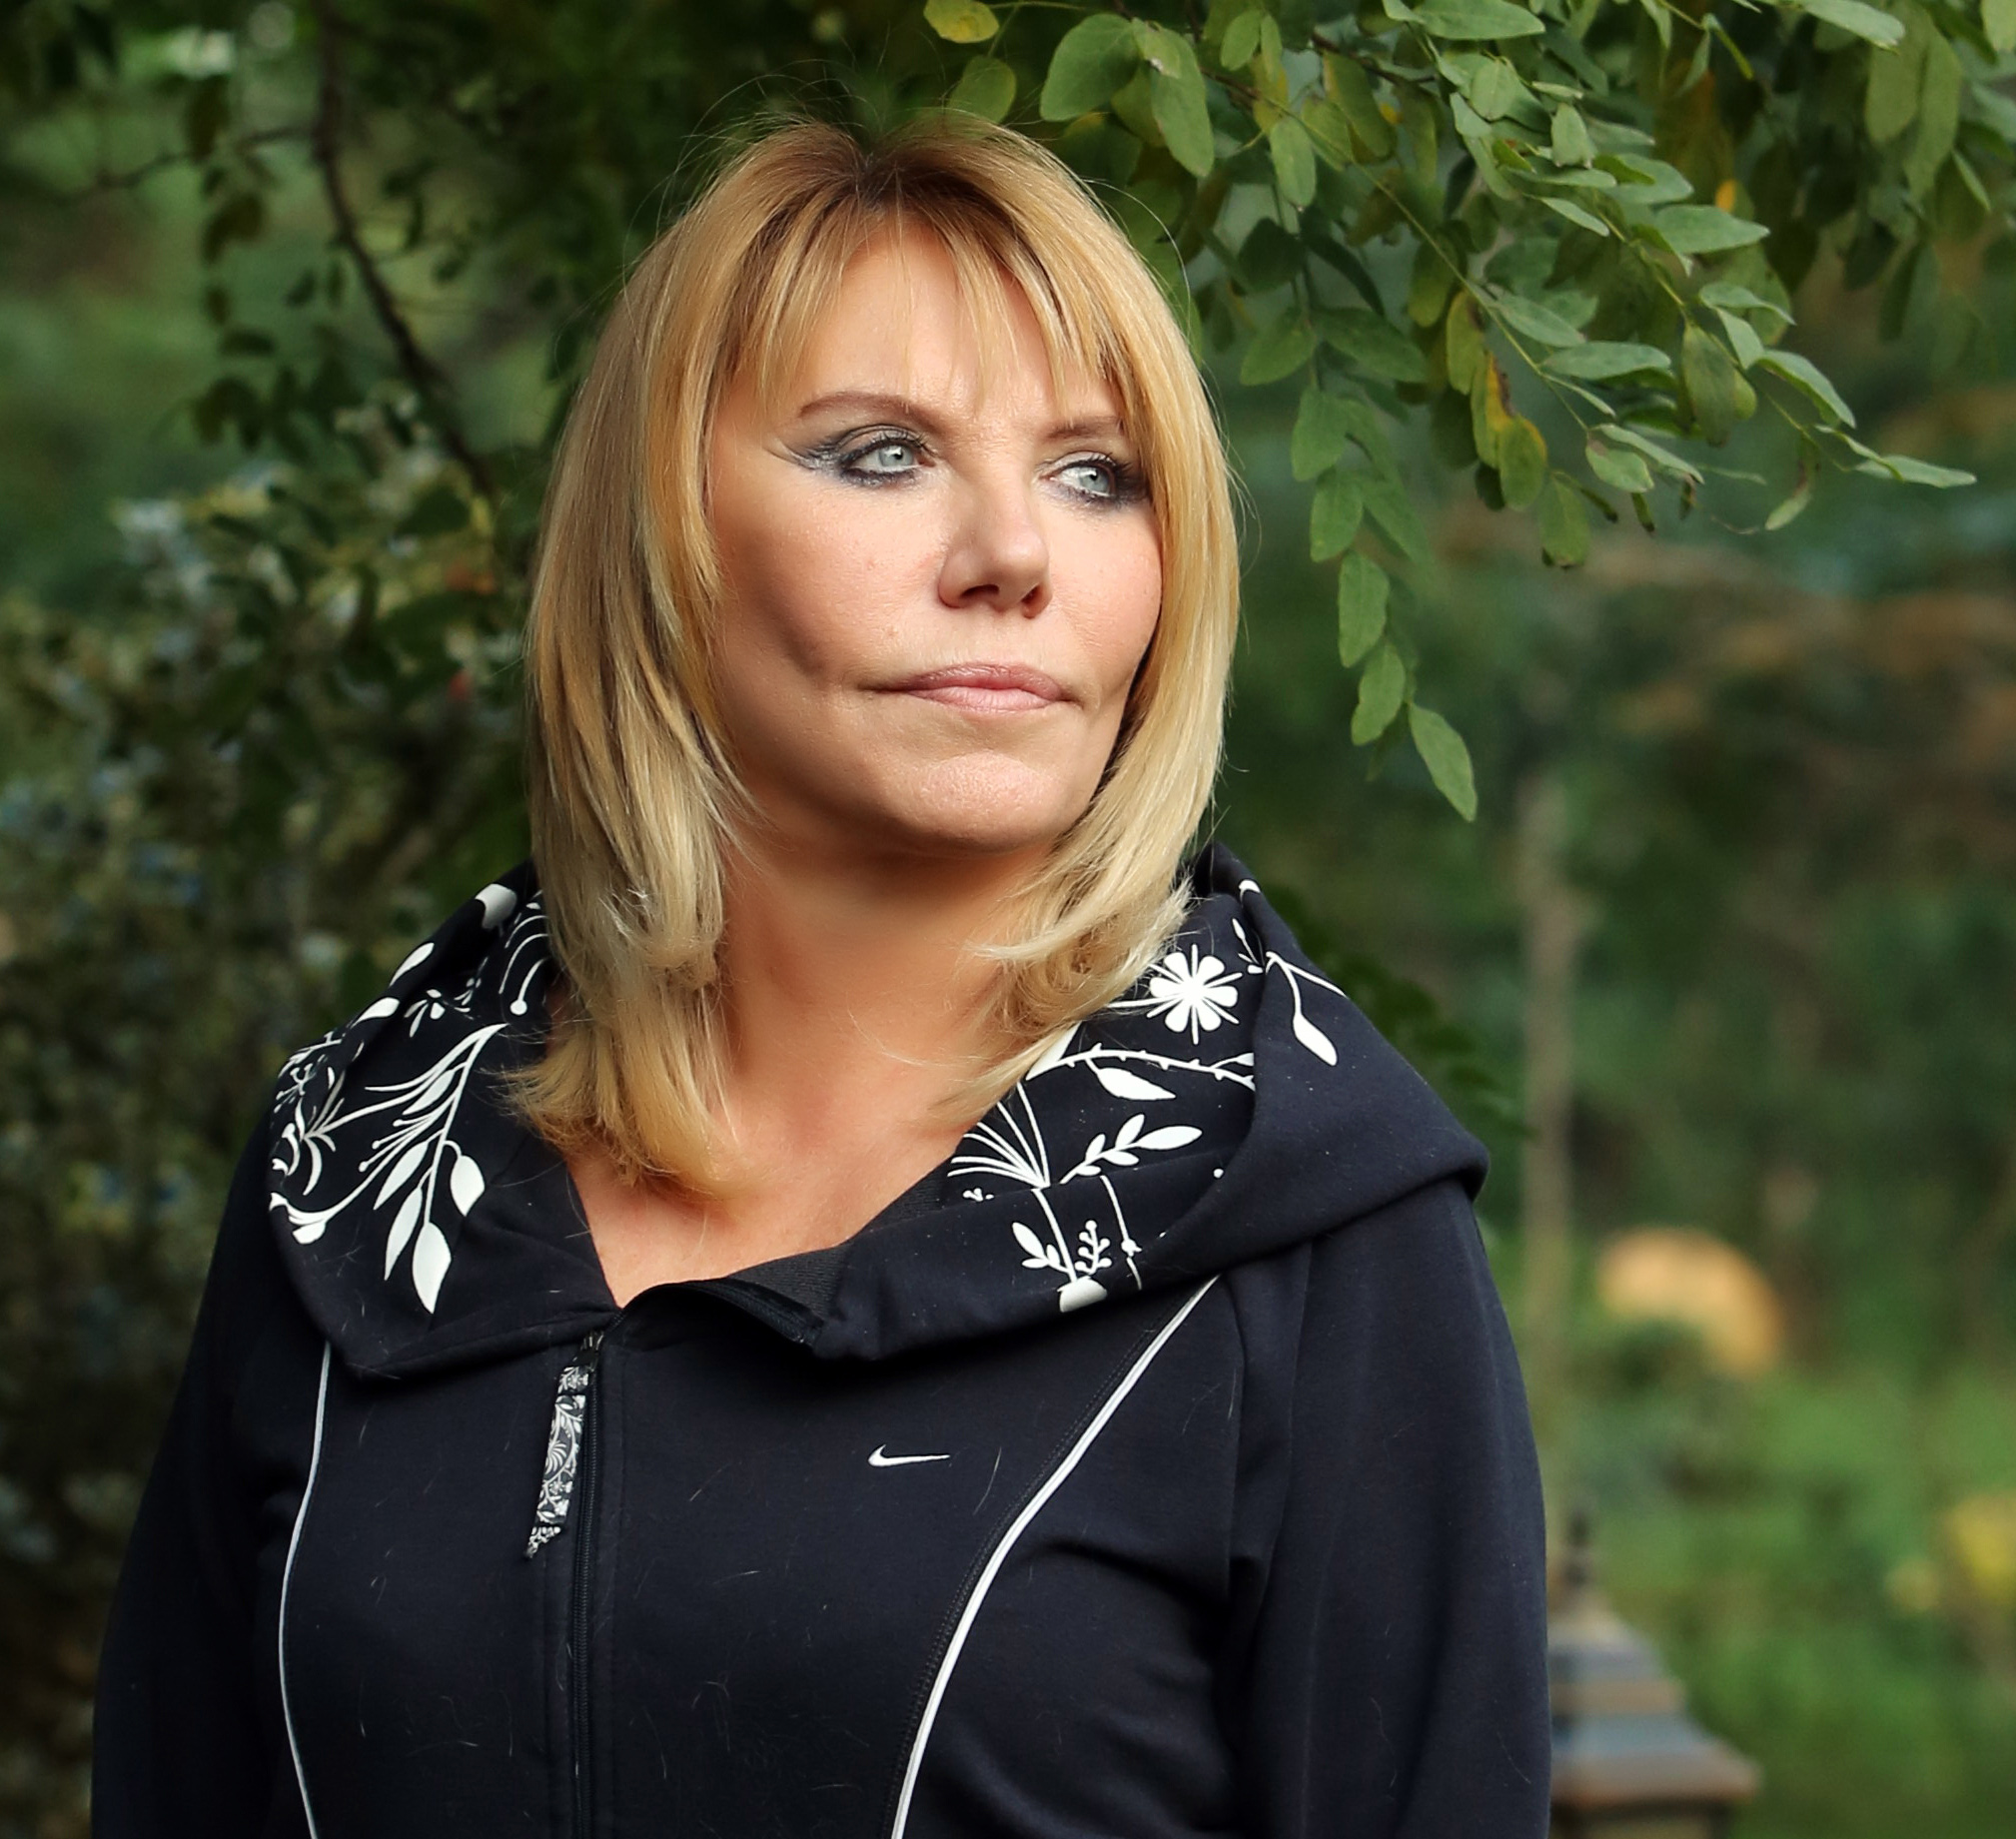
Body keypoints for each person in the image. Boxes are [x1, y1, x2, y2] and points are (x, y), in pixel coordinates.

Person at [92, 116, 1548, 1838]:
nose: (1013, 552)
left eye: (1098, 474)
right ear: (665, 532)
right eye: (882, 453)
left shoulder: (1310, 1216)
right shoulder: (353, 1176)